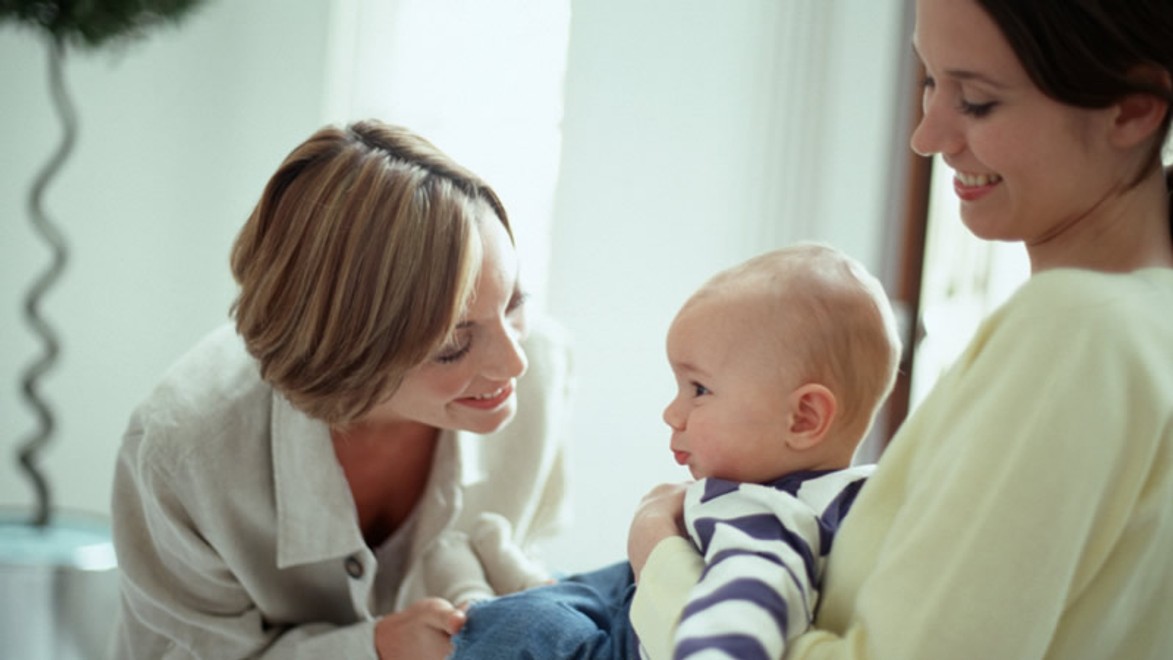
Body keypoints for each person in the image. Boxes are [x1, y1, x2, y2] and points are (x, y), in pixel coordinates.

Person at [629, 1, 1173, 658]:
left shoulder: (1075, 331)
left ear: (1132, 109)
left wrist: (658, 564)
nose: (926, 135)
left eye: (974, 101)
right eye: (927, 82)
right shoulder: (1142, 322)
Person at [108, 120, 573, 659]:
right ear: (349, 351)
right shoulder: (184, 447)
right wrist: (373, 648)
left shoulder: (544, 366)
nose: (512, 362)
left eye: (514, 302)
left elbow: (524, 569)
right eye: (451, 343)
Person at [449, 244, 901, 660]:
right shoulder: (842, 501)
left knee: (522, 628)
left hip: (633, 643)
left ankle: (478, 605)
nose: (672, 413)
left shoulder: (763, 515)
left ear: (803, 418)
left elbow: (735, 629)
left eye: (699, 389)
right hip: (633, 602)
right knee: (587, 590)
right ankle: (530, 583)